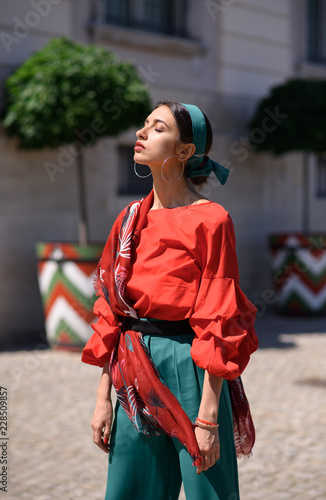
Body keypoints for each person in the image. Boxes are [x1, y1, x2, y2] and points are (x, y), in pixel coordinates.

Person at [81, 101, 258, 500]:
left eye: (157, 128)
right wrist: (102, 399)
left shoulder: (211, 220)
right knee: (131, 492)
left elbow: (219, 316)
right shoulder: (129, 219)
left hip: (191, 369)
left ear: (184, 150)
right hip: (132, 368)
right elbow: (111, 312)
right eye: (144, 125)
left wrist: (208, 419)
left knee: (207, 494)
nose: (141, 133)